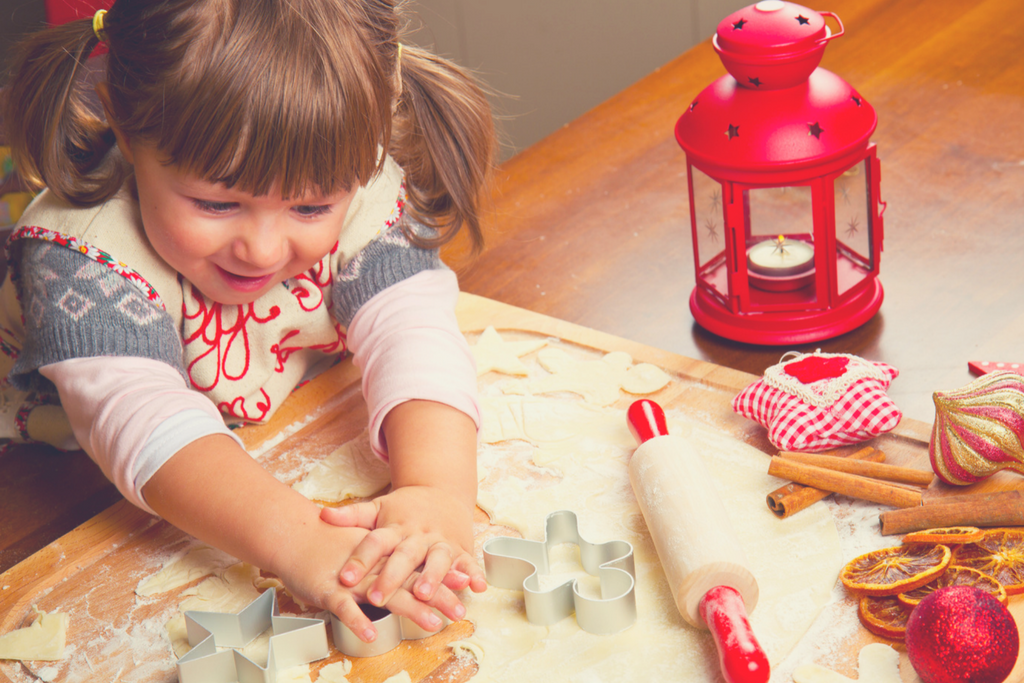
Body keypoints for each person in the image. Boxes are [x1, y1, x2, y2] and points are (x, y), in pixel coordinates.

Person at [1, 0, 495, 644]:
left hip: (274, 413)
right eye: (216, 202)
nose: (262, 249)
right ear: (127, 130)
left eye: (311, 207)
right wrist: (297, 540)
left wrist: (439, 489)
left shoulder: (356, 173)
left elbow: (413, 326)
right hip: (64, 476)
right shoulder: (78, 256)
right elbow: (141, 418)